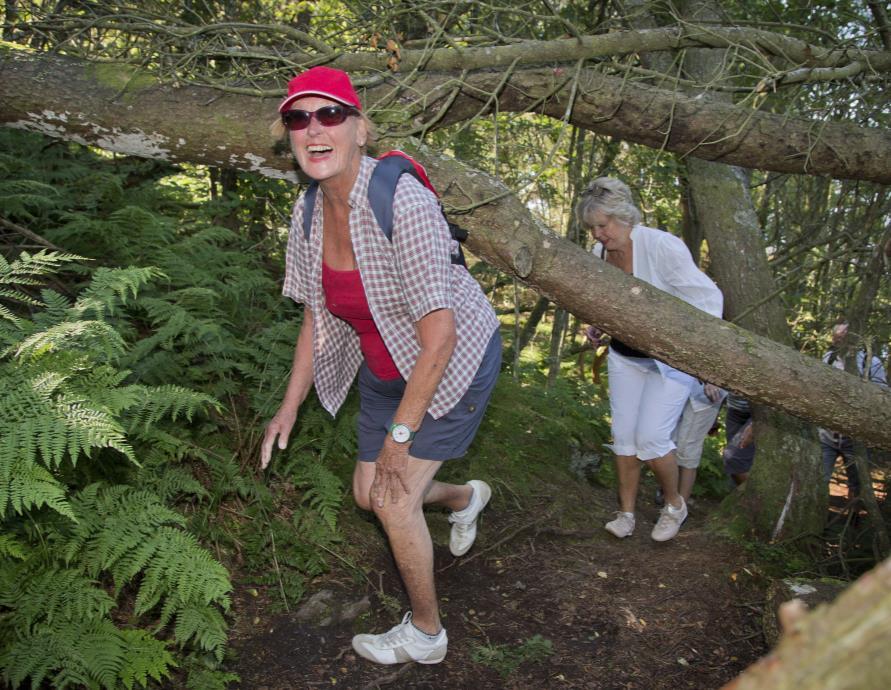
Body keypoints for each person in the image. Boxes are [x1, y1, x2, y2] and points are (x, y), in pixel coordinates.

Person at [260, 66, 501, 666]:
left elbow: (440, 337)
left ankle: (426, 634)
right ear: (289, 136)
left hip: (453, 362)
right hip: (386, 365)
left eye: (331, 115)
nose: (314, 130)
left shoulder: (403, 202)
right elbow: (316, 317)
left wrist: (400, 438)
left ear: (360, 130)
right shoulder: (309, 212)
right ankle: (464, 497)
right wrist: (288, 406)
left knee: (394, 498)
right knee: (370, 494)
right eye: (298, 118)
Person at [578, 177, 723, 542]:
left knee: (653, 438)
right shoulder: (600, 255)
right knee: (624, 437)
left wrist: (710, 363)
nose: (597, 234)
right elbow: (607, 302)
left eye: (602, 225)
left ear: (624, 217)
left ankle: (674, 505)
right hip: (625, 358)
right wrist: (596, 322)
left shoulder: (662, 247)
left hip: (670, 361)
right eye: (592, 227)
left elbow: (708, 299)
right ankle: (625, 513)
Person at [818, 322, 888, 499]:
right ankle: (819, 517)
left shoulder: (870, 362)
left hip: (855, 436)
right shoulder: (828, 358)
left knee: (857, 483)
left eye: (844, 337)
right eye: (837, 338)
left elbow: (881, 396)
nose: (840, 341)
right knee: (819, 479)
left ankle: (853, 519)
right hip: (827, 435)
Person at [671, 381, 727, 503]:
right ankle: (669, 496)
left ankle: (678, 509)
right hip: (677, 384)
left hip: (704, 396)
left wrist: (714, 379)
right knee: (668, 444)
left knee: (687, 450)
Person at [722, 394, 754, 486]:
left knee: (733, 458)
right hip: (735, 409)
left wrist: (755, 424)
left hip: (760, 414)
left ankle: (753, 496)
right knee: (734, 468)